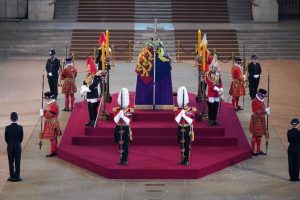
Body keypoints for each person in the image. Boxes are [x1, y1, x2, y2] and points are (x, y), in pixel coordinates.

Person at [174, 86, 196, 165]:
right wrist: (181, 113)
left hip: (187, 129)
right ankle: (182, 159)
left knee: (187, 145)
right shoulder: (178, 109)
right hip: (180, 128)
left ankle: (186, 160)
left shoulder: (191, 109)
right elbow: (177, 120)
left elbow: (192, 121)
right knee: (181, 145)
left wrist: (185, 115)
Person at [113, 88, 134, 165]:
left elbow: (128, 121)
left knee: (126, 145)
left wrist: (123, 116)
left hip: (125, 128)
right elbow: (115, 120)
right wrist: (119, 114)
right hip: (118, 128)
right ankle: (121, 159)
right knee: (120, 144)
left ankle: (125, 159)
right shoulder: (116, 109)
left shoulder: (129, 110)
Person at [40, 92, 62, 157]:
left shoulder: (53, 105)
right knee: (53, 138)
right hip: (50, 122)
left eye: (47, 99)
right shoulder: (50, 104)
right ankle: (54, 150)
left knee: (52, 138)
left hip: (52, 123)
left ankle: (53, 151)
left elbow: (50, 115)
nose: (46, 100)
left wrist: (43, 112)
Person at [81, 58, 101, 127]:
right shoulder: (88, 75)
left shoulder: (96, 76)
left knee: (93, 108)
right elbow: (84, 82)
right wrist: (83, 88)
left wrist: (87, 88)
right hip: (88, 94)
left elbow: (94, 84)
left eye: (89, 66)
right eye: (88, 66)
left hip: (93, 93)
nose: (88, 68)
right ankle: (91, 120)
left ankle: (94, 121)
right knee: (89, 107)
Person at [249, 89, 270, 156]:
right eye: (263, 96)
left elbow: (262, 108)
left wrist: (266, 110)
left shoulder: (261, 100)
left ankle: (258, 149)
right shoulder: (255, 101)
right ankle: (252, 150)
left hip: (261, 120)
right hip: (256, 120)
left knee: (260, 135)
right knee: (255, 135)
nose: (264, 98)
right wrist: (265, 111)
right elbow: (256, 111)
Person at [5, 112, 23, 182]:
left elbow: (6, 138)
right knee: (17, 162)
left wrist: (10, 144)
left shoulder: (7, 128)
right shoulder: (20, 128)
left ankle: (12, 177)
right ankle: (17, 177)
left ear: (10, 118)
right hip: (17, 147)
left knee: (10, 162)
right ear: (17, 118)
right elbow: (21, 138)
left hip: (10, 147)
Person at [205, 55, 223, 126]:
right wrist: (218, 89)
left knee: (216, 107)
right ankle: (210, 120)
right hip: (211, 93)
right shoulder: (208, 74)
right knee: (211, 107)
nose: (215, 69)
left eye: (216, 67)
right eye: (214, 67)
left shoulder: (218, 73)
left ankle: (215, 119)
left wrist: (221, 88)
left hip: (217, 93)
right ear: (211, 67)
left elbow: (220, 82)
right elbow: (210, 85)